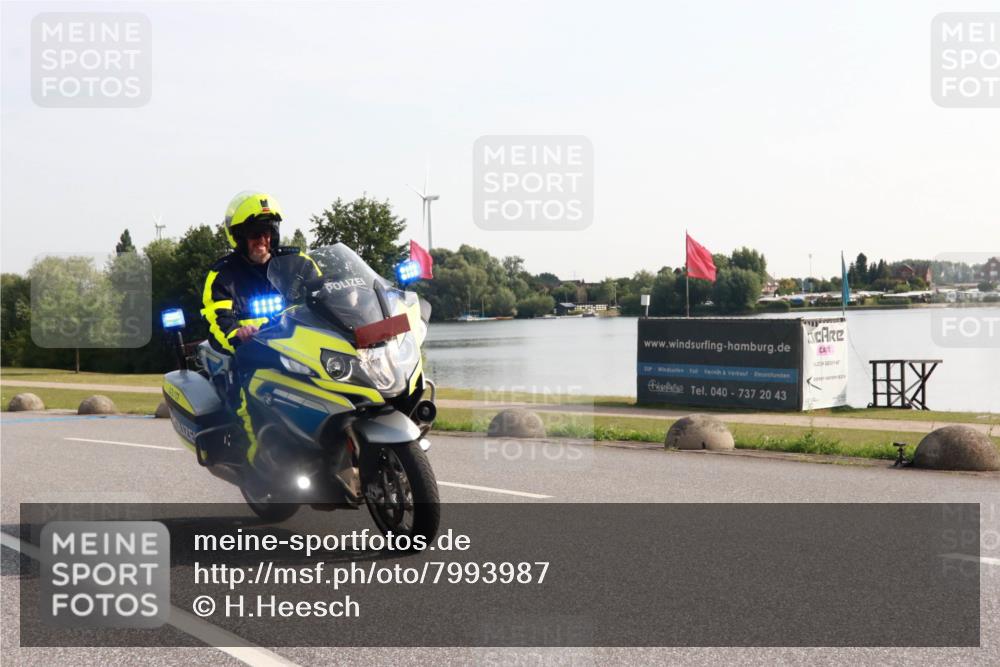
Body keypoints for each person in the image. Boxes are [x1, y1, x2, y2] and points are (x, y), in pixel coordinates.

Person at [201, 190, 318, 466]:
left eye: (267, 232)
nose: (262, 240)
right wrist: (236, 334)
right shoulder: (223, 274)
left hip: (301, 345)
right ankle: (259, 462)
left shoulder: (297, 262)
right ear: (240, 237)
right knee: (247, 395)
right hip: (253, 351)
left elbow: (326, 292)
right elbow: (217, 318)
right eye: (254, 234)